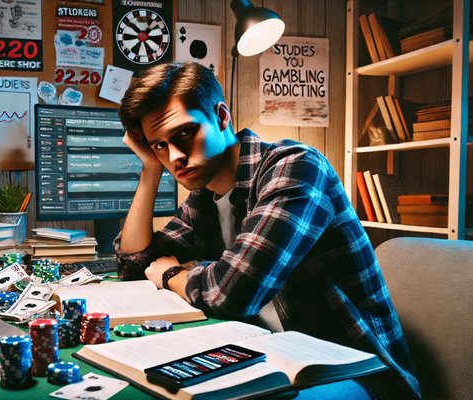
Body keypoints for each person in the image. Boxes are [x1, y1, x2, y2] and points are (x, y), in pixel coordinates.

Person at [113, 62, 420, 400]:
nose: (176, 156)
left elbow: (231, 295)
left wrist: (172, 273)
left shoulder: (296, 167)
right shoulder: (202, 200)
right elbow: (132, 262)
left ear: (222, 116)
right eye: (159, 145)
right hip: (268, 356)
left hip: (355, 373)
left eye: (185, 133)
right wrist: (149, 171)